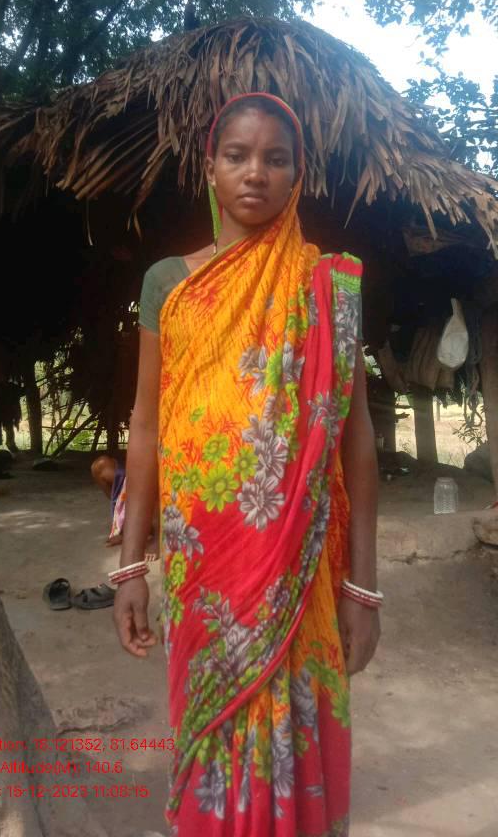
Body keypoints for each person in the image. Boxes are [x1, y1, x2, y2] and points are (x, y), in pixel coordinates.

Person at [113, 93, 380, 836]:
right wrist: (130, 566)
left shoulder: (328, 285)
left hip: (300, 565)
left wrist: (363, 587)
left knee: (297, 735)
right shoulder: (170, 283)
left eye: (275, 158)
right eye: (237, 155)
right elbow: (146, 424)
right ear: (210, 168)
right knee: (208, 735)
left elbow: (354, 434)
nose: (255, 172)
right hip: (204, 573)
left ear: (297, 175)